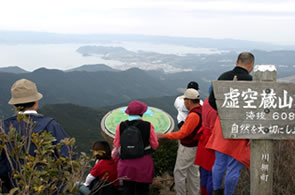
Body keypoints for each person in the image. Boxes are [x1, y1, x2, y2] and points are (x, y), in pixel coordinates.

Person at [0, 78, 70, 192]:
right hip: (47, 189)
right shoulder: (50, 125)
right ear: (36, 102)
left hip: (13, 189)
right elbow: (67, 158)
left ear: (14, 105)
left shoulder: (3, 128)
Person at [206, 52, 254, 195]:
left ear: (236, 61)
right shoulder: (252, 81)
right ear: (251, 65)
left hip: (222, 125)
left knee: (219, 162)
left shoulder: (223, 77)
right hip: (241, 127)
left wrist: (223, 113)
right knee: (234, 165)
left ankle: (216, 189)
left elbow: (212, 101)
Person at [157, 88, 202, 195]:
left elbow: (182, 134)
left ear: (189, 101)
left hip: (188, 148)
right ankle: (194, 193)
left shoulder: (193, 115)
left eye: (185, 101)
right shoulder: (201, 110)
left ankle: (180, 193)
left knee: (179, 172)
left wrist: (164, 135)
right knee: (193, 172)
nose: (184, 103)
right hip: (197, 146)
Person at [113, 100, 159, 195]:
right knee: (143, 191)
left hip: (125, 165)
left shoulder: (120, 126)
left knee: (127, 190)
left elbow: (116, 144)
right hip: (143, 164)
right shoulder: (148, 126)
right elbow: (155, 145)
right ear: (142, 113)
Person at [194, 86, 218, 195]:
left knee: (204, 171)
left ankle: (203, 192)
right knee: (212, 173)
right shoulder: (217, 106)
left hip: (203, 139)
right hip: (213, 140)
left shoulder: (207, 101)